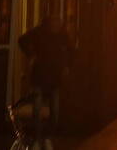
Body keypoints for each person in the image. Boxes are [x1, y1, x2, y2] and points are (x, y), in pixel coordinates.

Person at [18, 13, 75, 147]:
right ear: (50, 24)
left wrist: (67, 65)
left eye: (58, 24)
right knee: (38, 108)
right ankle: (39, 137)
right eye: (55, 24)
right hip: (41, 75)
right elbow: (22, 40)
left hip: (53, 76)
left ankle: (47, 136)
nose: (57, 26)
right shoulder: (40, 32)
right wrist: (31, 54)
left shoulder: (61, 33)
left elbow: (72, 49)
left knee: (54, 110)